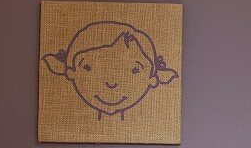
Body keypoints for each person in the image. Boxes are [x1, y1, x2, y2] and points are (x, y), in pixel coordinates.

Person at [41, 21, 178, 120]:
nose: (111, 82)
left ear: (152, 80)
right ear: (72, 73)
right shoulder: (63, 120)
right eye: (89, 67)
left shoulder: (154, 124)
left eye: (134, 71)